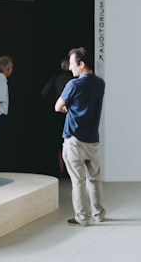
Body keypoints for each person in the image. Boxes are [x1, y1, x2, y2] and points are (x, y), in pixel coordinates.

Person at [56, 47, 106, 226]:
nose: (70, 68)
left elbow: (57, 106)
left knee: (78, 181)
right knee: (94, 180)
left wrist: (66, 108)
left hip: (74, 140)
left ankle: (82, 217)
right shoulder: (100, 83)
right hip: (92, 139)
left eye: (72, 64)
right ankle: (99, 214)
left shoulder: (73, 85)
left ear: (81, 64)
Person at [40, 59, 73, 175]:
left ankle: (60, 169)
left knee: (58, 143)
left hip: (55, 113)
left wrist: (53, 101)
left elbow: (44, 93)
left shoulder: (55, 79)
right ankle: (69, 169)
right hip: (69, 114)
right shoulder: (72, 81)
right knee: (70, 142)